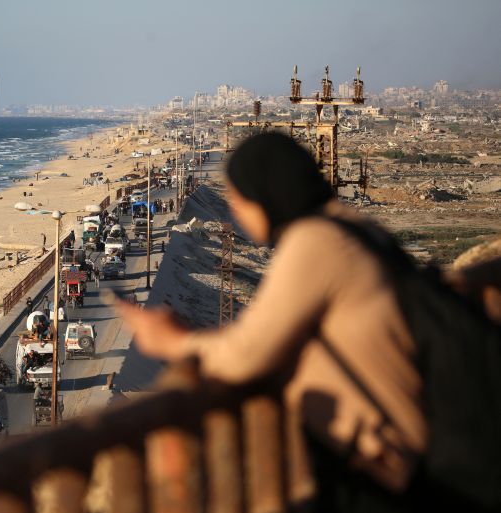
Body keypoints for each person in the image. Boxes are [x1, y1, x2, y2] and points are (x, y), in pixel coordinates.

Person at [116, 133, 433, 512]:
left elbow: (246, 354)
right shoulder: (355, 228)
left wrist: (174, 343)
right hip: (397, 448)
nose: (235, 208)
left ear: (262, 194)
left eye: (238, 197)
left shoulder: (314, 243)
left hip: (382, 465)